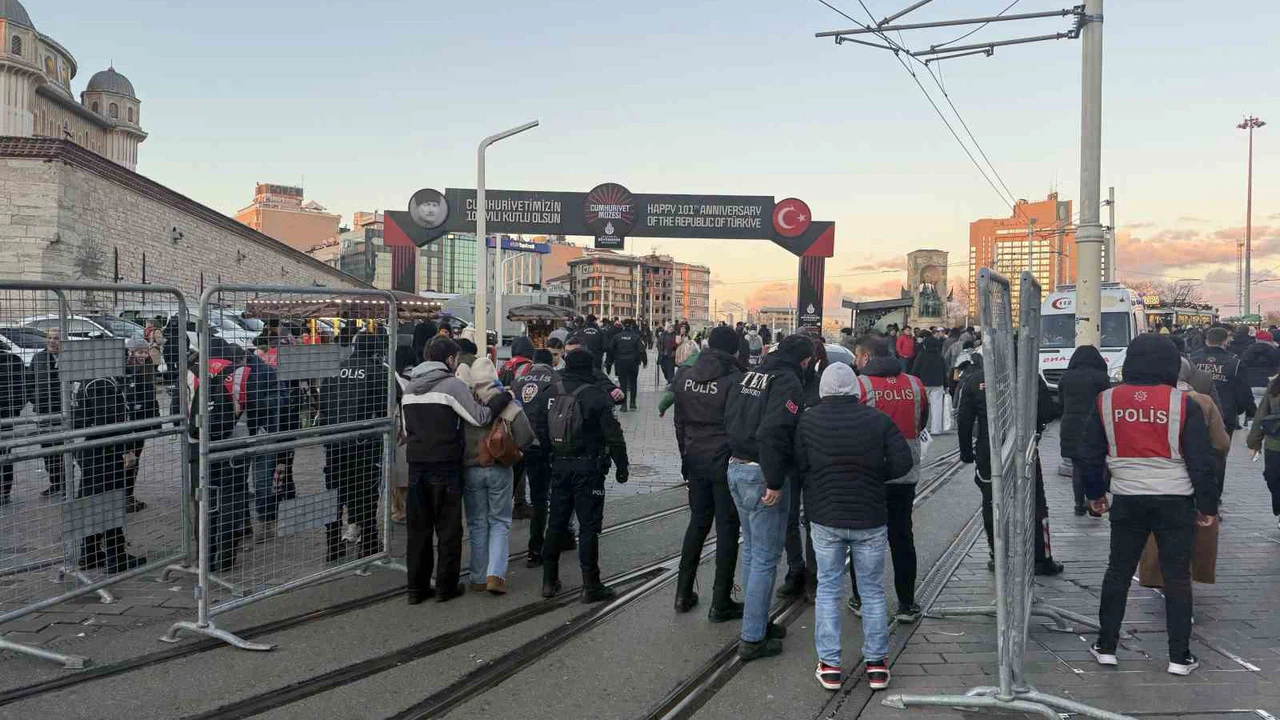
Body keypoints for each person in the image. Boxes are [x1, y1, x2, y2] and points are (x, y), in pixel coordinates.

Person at [1076, 334, 1220, 676]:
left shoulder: (1106, 401)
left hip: (1127, 499)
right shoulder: (1185, 404)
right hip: (1175, 500)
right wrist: (1207, 506)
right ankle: (1179, 656)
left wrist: (1096, 494)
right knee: (1177, 577)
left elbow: (1089, 454)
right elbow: (1201, 462)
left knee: (1118, 572)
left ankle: (1106, 646)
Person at [798, 363, 913, 691]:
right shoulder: (878, 421)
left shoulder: (808, 421)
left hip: (826, 516)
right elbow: (904, 462)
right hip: (870, 516)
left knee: (829, 589)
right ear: (855, 389)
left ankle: (830, 665)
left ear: (823, 390)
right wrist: (876, 477)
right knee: (873, 590)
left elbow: (800, 461)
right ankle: (877, 666)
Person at [401, 337, 512, 604]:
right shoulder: (451, 385)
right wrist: (504, 397)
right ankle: (445, 587)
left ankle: (416, 589)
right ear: (450, 360)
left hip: (416, 467)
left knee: (418, 531)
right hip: (445, 466)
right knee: (448, 530)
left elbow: (406, 431)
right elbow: (480, 417)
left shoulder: (408, 389)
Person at [724, 334, 812, 662]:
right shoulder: (787, 381)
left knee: (750, 551)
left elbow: (730, 417)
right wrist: (775, 481)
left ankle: (756, 620)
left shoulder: (751, 373)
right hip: (762, 473)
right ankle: (752, 638)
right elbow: (774, 432)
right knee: (764, 557)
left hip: (736, 466)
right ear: (804, 360)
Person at [533, 348, 629, 602]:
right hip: (589, 469)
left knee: (556, 522)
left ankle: (549, 581)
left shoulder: (551, 392)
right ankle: (591, 583)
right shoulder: (595, 395)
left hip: (559, 467)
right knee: (588, 527)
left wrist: (549, 458)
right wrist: (622, 466)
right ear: (589, 368)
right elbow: (614, 435)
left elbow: (540, 429)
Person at [957, 350, 1064, 575]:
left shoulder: (975, 381)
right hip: (1024, 449)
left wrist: (966, 452)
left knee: (992, 502)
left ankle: (998, 555)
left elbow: (964, 421)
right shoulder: (1030, 377)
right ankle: (1041, 558)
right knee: (1035, 502)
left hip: (990, 451)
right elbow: (1048, 411)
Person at [847, 337, 927, 622]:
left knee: (863, 538)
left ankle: (861, 599)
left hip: (869, 474)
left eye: (857, 357)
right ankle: (907, 603)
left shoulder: (860, 385)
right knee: (902, 536)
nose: (856, 362)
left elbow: (850, 425)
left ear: (866, 357)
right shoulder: (915, 384)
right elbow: (922, 423)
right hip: (906, 472)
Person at [672, 326, 745, 620]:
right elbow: (740, 426)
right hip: (724, 461)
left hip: (695, 457)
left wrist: (685, 455)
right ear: (734, 350)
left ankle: (682, 592)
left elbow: (679, 422)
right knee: (727, 530)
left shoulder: (685, 376)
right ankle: (721, 600)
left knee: (697, 524)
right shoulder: (735, 380)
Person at [461, 357, 535, 595]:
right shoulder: (506, 403)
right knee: (500, 522)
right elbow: (526, 435)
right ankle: (496, 575)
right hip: (500, 469)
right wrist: (516, 451)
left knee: (477, 523)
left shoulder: (465, 403)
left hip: (471, 470)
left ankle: (478, 577)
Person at [318, 329, 389, 563]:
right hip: (363, 444)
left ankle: (332, 545)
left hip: (335, 443)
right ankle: (369, 541)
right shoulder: (377, 373)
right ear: (376, 351)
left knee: (334, 495)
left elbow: (323, 406)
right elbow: (384, 410)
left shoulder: (334, 370)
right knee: (365, 493)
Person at [74, 369, 147, 573]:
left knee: (95, 501)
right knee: (109, 501)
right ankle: (115, 555)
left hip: (93, 449)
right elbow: (109, 420)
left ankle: (90, 553)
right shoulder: (102, 383)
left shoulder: (91, 379)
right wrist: (126, 450)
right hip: (103, 452)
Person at [514, 349, 559, 568]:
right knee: (540, 499)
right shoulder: (555, 381)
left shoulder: (519, 380)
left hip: (517, 445)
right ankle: (535, 549)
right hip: (541, 446)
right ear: (551, 362)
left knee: (506, 498)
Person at [1057, 346, 1112, 516]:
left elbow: (1061, 402)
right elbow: (1106, 402)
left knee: (1078, 467)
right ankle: (1095, 503)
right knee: (1097, 464)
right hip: (1095, 426)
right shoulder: (1101, 378)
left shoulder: (1066, 378)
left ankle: (1078, 504)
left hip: (1070, 426)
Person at [1191, 326, 1255, 446]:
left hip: (1196, 411)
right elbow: (1243, 390)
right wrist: (1248, 410)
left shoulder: (1192, 359)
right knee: (1221, 451)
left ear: (1206, 340)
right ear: (1225, 341)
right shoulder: (1235, 362)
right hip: (1225, 413)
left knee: (1197, 448)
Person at [121, 337, 159, 514]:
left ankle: (128, 495)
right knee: (127, 461)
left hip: (141, 425)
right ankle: (123, 497)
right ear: (131, 353)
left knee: (134, 462)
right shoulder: (126, 373)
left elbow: (151, 399)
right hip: (128, 426)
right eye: (140, 352)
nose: (144, 355)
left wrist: (155, 422)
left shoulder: (147, 370)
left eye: (145, 351)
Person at [27, 327, 66, 497]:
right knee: (48, 448)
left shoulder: (69, 358)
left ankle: (68, 483)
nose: (52, 341)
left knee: (65, 447)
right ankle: (56, 482)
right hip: (44, 410)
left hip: (64, 410)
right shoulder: (39, 358)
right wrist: (34, 399)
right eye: (49, 338)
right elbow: (29, 382)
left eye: (56, 338)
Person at [1247, 372, 1280, 529]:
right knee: (1272, 478)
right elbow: (1262, 413)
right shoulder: (1275, 384)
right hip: (1274, 443)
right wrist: (1254, 441)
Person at [0, 343, 25, 506]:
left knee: (5, 454)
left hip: (4, 415)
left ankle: (4, 492)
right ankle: (4, 493)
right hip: (6, 414)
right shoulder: (12, 359)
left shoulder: (11, 360)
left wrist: (15, 410)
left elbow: (22, 388)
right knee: (5, 454)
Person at [909, 333, 948, 435]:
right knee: (937, 406)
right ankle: (936, 429)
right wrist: (946, 385)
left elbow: (915, 370)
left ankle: (920, 428)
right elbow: (944, 372)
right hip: (938, 384)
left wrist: (913, 382)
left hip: (923, 384)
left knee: (921, 406)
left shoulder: (921, 356)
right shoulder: (940, 356)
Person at [606, 319, 647, 412]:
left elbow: (610, 349)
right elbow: (642, 350)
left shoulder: (617, 337)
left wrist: (609, 362)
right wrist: (645, 362)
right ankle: (633, 403)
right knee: (633, 383)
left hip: (621, 362)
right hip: (633, 362)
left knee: (623, 384)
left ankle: (623, 405)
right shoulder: (636, 337)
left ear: (623, 326)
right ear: (632, 326)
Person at [1240, 330, 1280, 410]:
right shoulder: (1276, 352)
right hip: (1269, 383)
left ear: (1257, 339)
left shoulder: (1247, 351)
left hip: (1250, 383)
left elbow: (1242, 366)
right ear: (1271, 340)